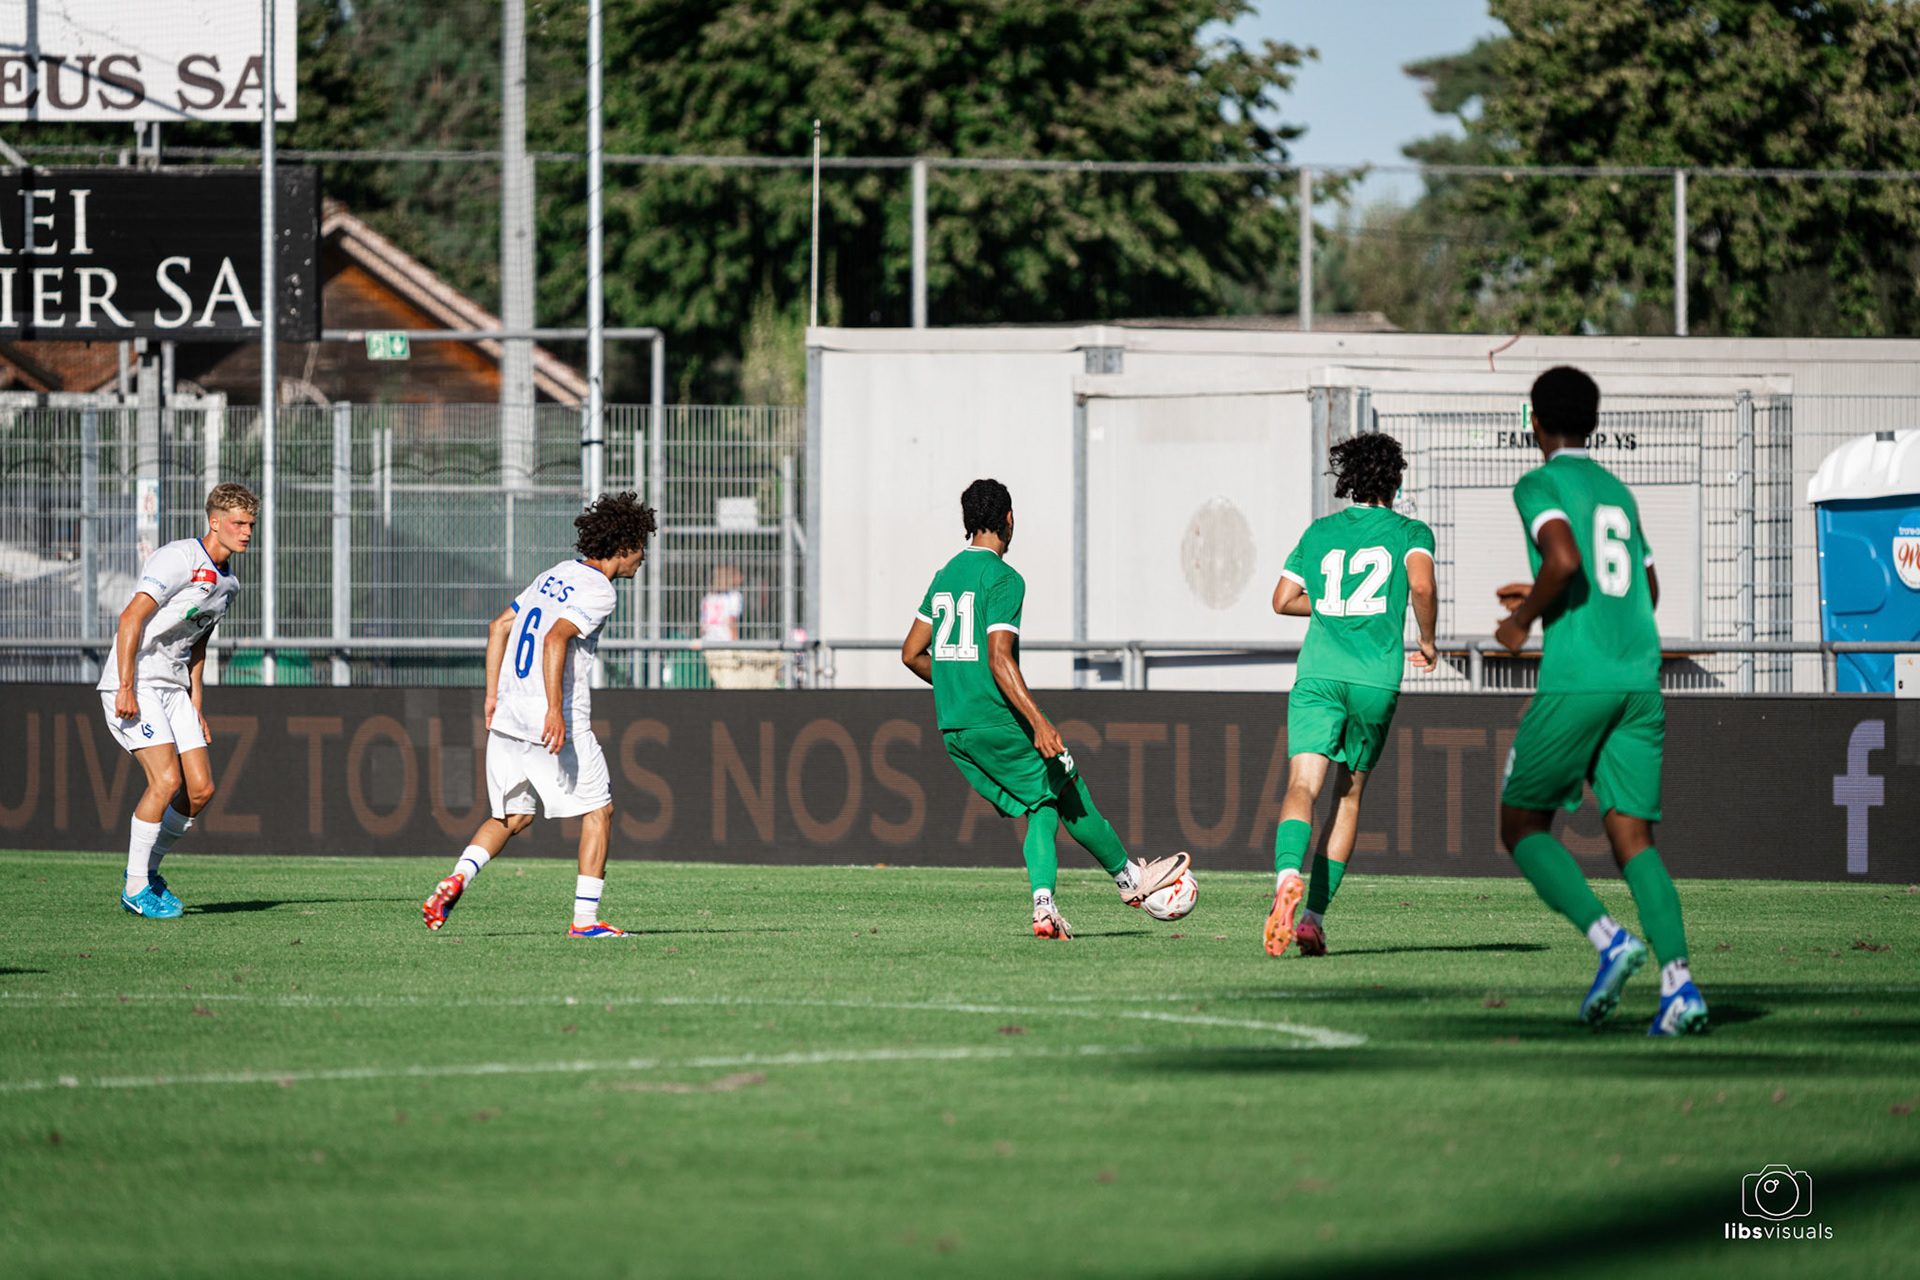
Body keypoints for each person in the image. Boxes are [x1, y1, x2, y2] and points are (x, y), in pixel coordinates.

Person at [1494, 366, 1707, 1036]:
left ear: (1534, 423)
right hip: (1640, 679)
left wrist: (1522, 619)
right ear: (1593, 422)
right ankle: (1680, 987)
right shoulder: (1618, 491)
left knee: (1521, 825)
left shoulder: (1539, 483)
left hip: (1578, 678)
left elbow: (1563, 561)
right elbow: (1648, 586)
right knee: (1633, 838)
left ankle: (1609, 940)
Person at [901, 478, 1189, 939]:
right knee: (1063, 787)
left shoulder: (944, 576)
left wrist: (958, 686)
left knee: (1047, 798)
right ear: (1009, 519)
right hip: (997, 719)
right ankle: (1122, 883)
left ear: (968, 522)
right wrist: (1038, 722)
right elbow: (999, 658)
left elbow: (912, 653)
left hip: (955, 728)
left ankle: (1061, 901)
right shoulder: (1004, 578)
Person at [423, 491, 656, 937]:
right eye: (641, 547)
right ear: (624, 546)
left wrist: (492, 695)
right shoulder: (599, 590)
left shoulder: (555, 574)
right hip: (551, 717)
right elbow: (554, 639)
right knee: (600, 811)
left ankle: (457, 879)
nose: (643, 557)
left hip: (509, 713)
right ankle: (585, 922)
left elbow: (499, 627)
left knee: (512, 818)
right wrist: (554, 710)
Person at [1263, 435, 1438, 957]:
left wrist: (1331, 604)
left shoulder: (1319, 532)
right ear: (1395, 482)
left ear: (1349, 482)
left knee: (1302, 784)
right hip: (1373, 679)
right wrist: (1428, 641)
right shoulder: (1411, 532)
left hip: (1318, 675)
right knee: (1348, 795)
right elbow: (1422, 587)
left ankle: (1286, 878)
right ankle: (1312, 919)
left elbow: (1282, 600)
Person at [101, 482, 257, 918]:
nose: (247, 532)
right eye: (238, 523)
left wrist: (196, 706)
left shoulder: (229, 583)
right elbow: (130, 617)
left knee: (201, 789)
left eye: (251, 524)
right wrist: (125, 686)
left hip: (173, 689)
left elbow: (197, 646)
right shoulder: (180, 557)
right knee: (167, 781)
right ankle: (135, 888)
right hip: (137, 681)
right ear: (215, 522)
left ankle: (146, 873)